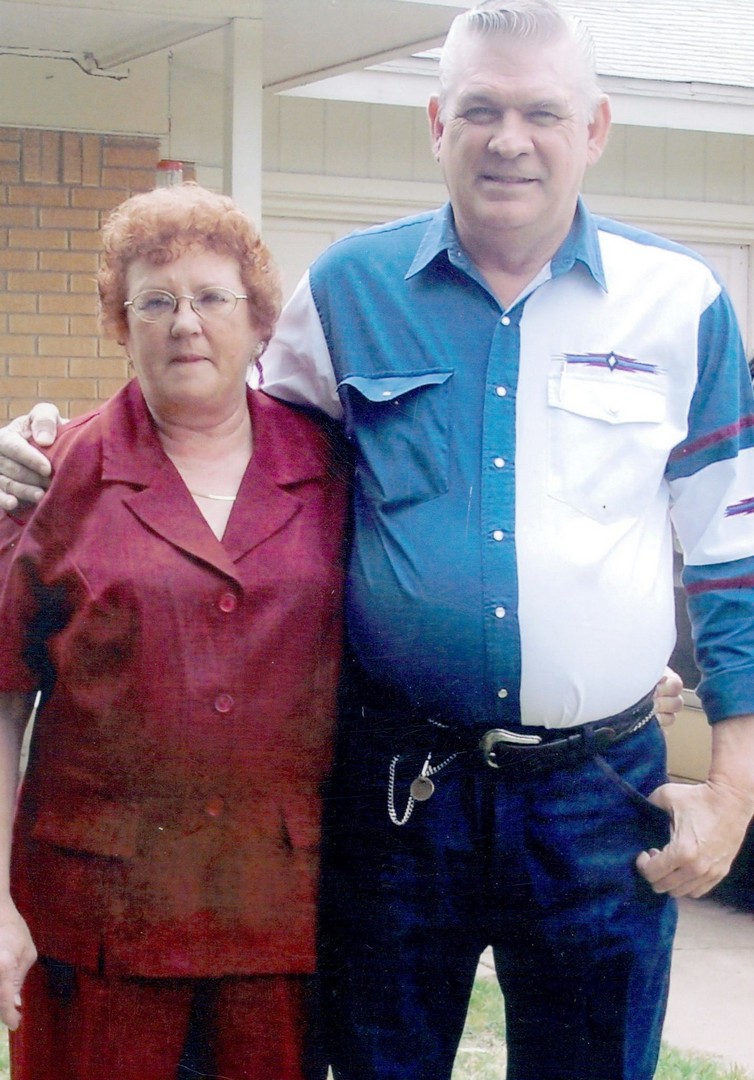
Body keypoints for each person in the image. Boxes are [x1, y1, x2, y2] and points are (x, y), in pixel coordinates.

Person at [0, 3, 738, 1078]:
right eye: (479, 110)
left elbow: (731, 553)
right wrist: (46, 442)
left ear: (595, 128)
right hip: (403, 790)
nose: (509, 139)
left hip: (596, 795)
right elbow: (211, 422)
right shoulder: (348, 289)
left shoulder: (679, 299)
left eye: (542, 112)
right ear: (437, 123)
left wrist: (731, 785)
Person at [0, 183, 347, 1080]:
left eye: (211, 297)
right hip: (96, 921)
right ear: (121, 325)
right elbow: (2, 704)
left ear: (261, 322)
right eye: (154, 301)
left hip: (275, 914)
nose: (185, 323)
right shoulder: (46, 477)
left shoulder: (336, 471)